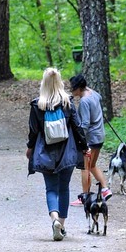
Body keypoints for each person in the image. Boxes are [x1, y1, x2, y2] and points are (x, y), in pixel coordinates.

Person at [27, 68, 88, 241]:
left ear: (44, 83)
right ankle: (61, 223)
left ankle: (54, 219)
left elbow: (33, 131)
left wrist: (30, 147)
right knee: (64, 188)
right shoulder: (67, 102)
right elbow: (77, 126)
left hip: (46, 152)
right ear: (60, 82)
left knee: (51, 188)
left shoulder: (37, 105)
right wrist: (84, 146)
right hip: (67, 152)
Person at [69, 73, 112, 201]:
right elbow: (98, 102)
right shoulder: (94, 93)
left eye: (72, 88)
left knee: (85, 168)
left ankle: (85, 197)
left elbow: (85, 124)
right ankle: (105, 189)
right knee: (92, 165)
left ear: (78, 88)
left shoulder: (84, 101)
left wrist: (80, 140)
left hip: (91, 138)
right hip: (100, 136)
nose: (71, 90)